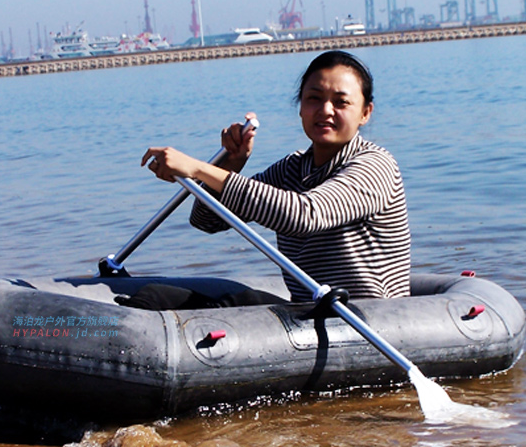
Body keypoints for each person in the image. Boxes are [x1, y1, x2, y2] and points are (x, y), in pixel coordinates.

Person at [134, 50, 410, 309]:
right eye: (314, 98)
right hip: (310, 312)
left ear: (365, 113)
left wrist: (196, 168)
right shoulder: (292, 169)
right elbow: (207, 220)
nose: (326, 110)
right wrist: (232, 162)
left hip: (368, 318)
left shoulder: (376, 165)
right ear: (300, 107)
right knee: (156, 296)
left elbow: (305, 216)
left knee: (237, 302)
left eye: (341, 102)